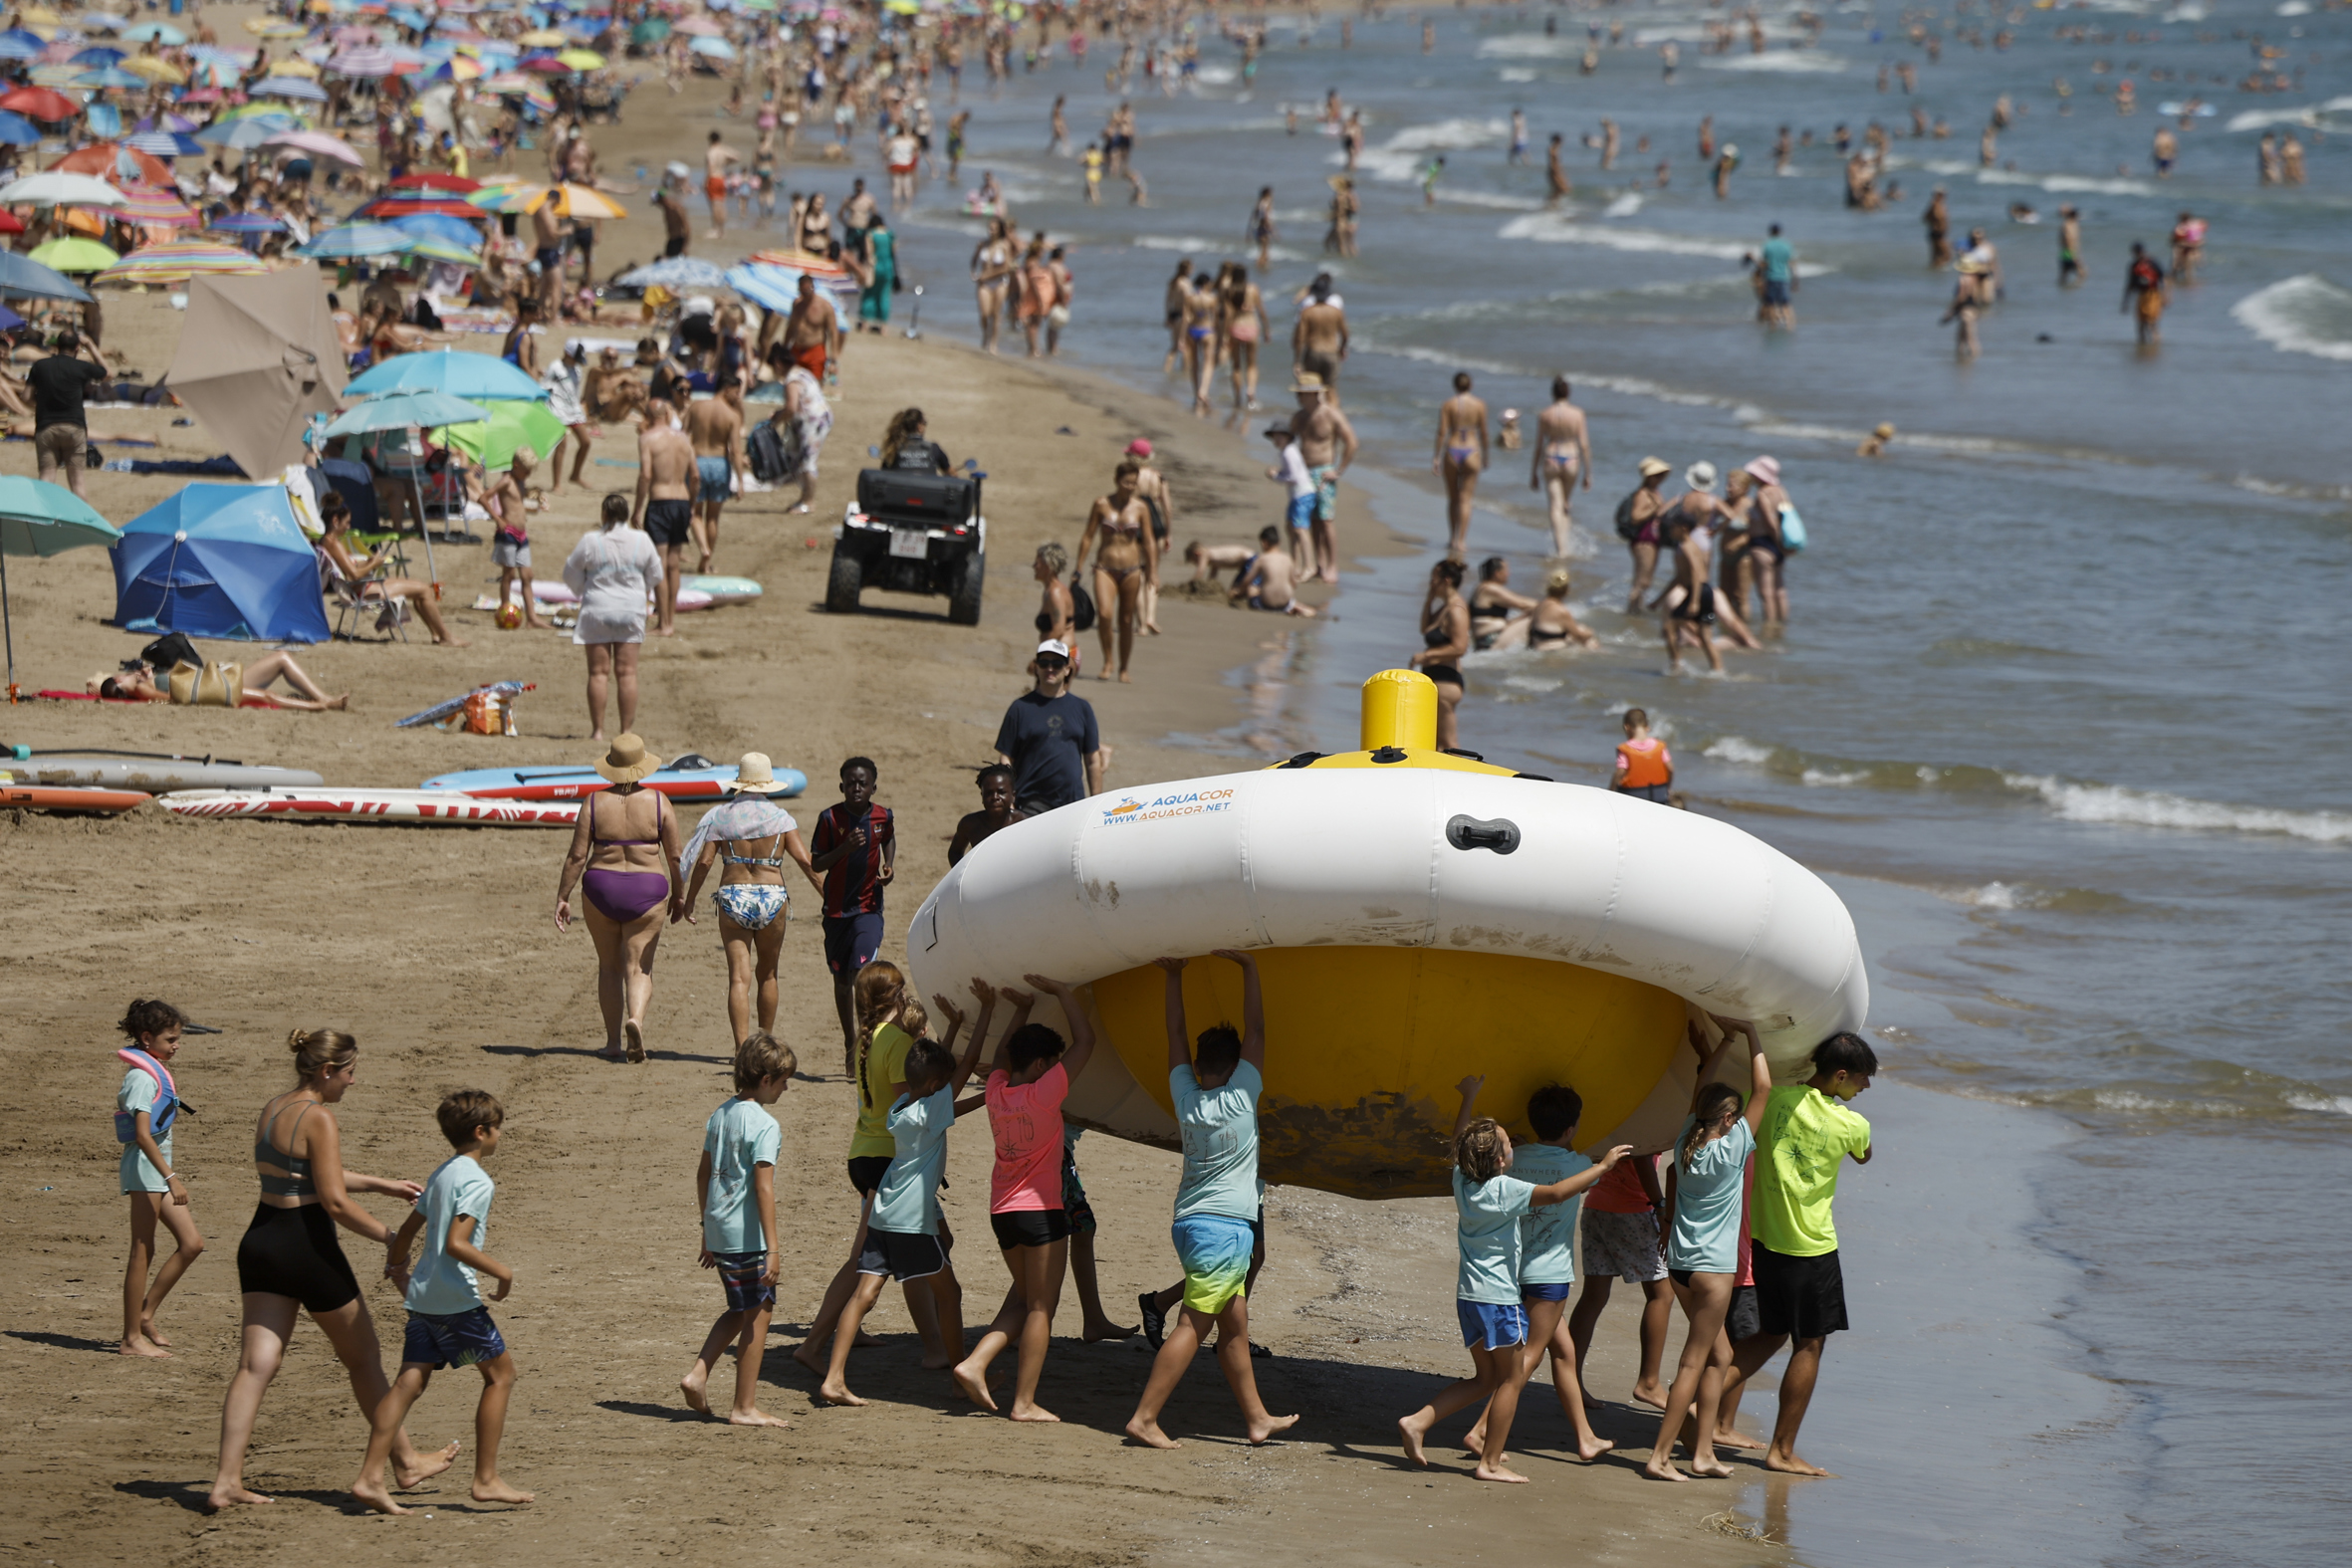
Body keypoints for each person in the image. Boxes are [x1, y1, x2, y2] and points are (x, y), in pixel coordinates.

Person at [208, 1028, 451, 1511]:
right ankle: (403, 1463)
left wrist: (382, 1184)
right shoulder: (319, 1118)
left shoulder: (274, 1107)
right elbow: (334, 1203)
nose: (352, 1082)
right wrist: (391, 1238)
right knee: (363, 1359)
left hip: (261, 1243)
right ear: (326, 1071)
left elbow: (306, 1174)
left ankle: (225, 1481)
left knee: (256, 1365)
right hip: (307, 1249)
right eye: (349, 1073)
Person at [1397, 1076, 1632, 1481]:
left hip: (1469, 1296)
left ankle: (1418, 1422)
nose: (1513, 1144)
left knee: (1487, 1377)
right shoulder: (1504, 1190)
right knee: (1510, 1377)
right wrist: (1603, 1165)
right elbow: (1558, 1193)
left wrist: (1468, 1098)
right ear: (1501, 1161)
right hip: (1498, 1298)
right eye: (1508, 1144)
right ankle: (1488, 1460)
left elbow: (1459, 1142)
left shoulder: (1463, 1179)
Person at [1125, 953, 1300, 1449]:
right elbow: (1259, 1027)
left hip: (1192, 1222)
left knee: (1235, 1331)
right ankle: (1145, 1417)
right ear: (1237, 1064)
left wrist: (1173, 975)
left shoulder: (1185, 1096)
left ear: (1199, 1066)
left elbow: (1174, 1035)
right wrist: (1249, 968)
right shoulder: (1244, 1094)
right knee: (1191, 1325)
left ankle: (1257, 1419)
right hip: (1224, 1229)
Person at [352, 1090, 531, 1512]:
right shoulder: (476, 1181)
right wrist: (503, 1272)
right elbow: (456, 1244)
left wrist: (398, 1267)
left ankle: (370, 1476)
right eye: (497, 1128)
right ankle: (485, 1479)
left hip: (426, 1296)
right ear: (481, 1132)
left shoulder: (443, 1172)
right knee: (501, 1376)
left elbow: (411, 1228)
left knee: (408, 1383)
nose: (500, 1134)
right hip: (456, 1299)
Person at [820, 989, 994, 1406]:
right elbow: (964, 1066)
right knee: (950, 1296)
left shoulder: (902, 1106)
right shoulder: (931, 1111)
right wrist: (986, 1011)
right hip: (913, 1221)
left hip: (882, 1215)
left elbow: (937, 1068)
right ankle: (958, 1375)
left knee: (863, 1296)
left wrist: (950, 1027)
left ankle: (834, 1377)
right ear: (936, 1085)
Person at [1715, 1032, 1878, 1477]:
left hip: (1765, 1243)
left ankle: (1693, 1402)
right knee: (1809, 1343)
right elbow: (1864, 1156)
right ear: (1841, 1076)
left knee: (1769, 1333)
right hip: (1811, 1248)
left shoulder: (1770, 1101)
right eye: (1862, 1080)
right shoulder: (1852, 1125)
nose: (1865, 1089)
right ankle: (1782, 1451)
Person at [950, 975, 1099, 1421]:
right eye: (1052, 1063)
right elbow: (1086, 1041)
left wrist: (1018, 1008)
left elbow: (1000, 1057)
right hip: (1041, 1215)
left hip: (1003, 1214)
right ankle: (1023, 1401)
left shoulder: (996, 1091)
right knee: (1040, 1307)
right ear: (1040, 1067)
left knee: (1023, 1299)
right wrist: (1062, 993)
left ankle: (976, 1365)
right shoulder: (1043, 1092)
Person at [1643, 1020, 1771, 1482]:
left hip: (1678, 1266)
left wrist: (1728, 1041)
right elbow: (1764, 1087)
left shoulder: (1686, 1141)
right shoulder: (1733, 1148)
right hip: (1713, 1272)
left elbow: (1704, 1088)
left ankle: (1701, 1454)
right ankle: (1658, 1457)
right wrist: (1753, 1031)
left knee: (1718, 1357)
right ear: (1730, 1120)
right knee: (1693, 1363)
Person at [1460, 1083, 1615, 1464]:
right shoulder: (1579, 1165)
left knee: (1564, 1351)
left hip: (1515, 1272)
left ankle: (1586, 1438)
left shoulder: (1513, 1158)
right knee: (1527, 1358)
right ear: (1570, 1128)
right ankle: (1481, 1430)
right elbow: (1568, 1188)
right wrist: (1603, 1164)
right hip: (1549, 1275)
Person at [678, 1032, 797, 1428]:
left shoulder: (720, 1114)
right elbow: (764, 1188)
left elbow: (702, 1174)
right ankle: (744, 1406)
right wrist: (774, 1249)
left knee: (739, 1309)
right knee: (759, 1315)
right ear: (765, 1080)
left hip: (719, 1230)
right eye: (783, 1081)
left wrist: (706, 1229)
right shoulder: (765, 1125)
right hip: (748, 1238)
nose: (785, 1087)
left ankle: (698, 1373)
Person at [553, 735, 684, 1063]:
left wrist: (562, 896)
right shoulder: (659, 802)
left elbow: (577, 856)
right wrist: (681, 896)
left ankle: (612, 1042)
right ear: (643, 766)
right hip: (647, 889)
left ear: (610, 766)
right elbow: (676, 858)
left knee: (609, 966)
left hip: (601, 888)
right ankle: (635, 1020)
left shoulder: (594, 802)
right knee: (639, 967)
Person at [676, 756, 821, 1046]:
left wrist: (688, 900)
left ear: (740, 784)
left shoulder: (721, 816)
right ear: (767, 784)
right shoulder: (781, 818)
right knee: (768, 974)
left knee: (738, 979)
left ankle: (742, 1048)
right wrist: (828, 897)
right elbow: (806, 862)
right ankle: (765, 1042)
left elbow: (704, 863)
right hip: (772, 896)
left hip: (733, 895)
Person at [115, 998, 203, 1359]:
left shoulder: (153, 1069)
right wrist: (172, 1177)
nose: (177, 1045)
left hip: (157, 1170)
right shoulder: (139, 1078)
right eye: (170, 1039)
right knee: (142, 1250)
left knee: (192, 1243)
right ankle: (130, 1339)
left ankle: (146, 1315)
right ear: (147, 1038)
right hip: (147, 1170)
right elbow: (141, 1134)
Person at [1566, 1140, 1674, 1413]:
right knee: (1661, 1294)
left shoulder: (1623, 1110)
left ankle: (1570, 1381)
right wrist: (1660, 1207)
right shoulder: (1648, 1119)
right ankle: (1649, 1382)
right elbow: (1642, 1156)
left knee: (1593, 1296)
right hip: (1633, 1211)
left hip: (1597, 1207)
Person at [810, 757, 896, 1075]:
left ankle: (866, 1042)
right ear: (841, 786)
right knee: (842, 980)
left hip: (869, 909)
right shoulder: (830, 818)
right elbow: (816, 864)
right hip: (835, 912)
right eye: (851, 783)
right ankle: (850, 1043)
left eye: (863, 783)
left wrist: (889, 865)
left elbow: (888, 838)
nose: (857, 788)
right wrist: (844, 848)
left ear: (874, 786)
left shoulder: (882, 816)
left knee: (862, 972)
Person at [562, 495, 661, 740]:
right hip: (631, 610)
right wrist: (640, 592)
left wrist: (583, 589)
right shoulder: (642, 539)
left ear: (604, 514)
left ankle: (598, 731)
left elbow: (570, 573)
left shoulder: (591, 540)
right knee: (627, 673)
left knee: (598, 673)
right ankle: (626, 731)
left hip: (598, 607)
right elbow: (656, 574)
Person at [994, 642, 1105, 815]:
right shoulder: (1020, 708)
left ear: (1067, 669)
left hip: (1073, 803)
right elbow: (1006, 757)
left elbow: (1092, 760)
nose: (1050, 668)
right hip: (1031, 801)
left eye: (1057, 664)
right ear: (1036, 667)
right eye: (1044, 663)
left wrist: (1096, 803)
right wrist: (1009, 802)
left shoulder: (1082, 708)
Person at [1075, 461, 1156, 682]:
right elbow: (1088, 536)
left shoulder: (1141, 508)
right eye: (1126, 482)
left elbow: (1148, 541)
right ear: (1116, 480)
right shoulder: (1101, 504)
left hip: (1132, 569)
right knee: (1104, 614)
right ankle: (1108, 660)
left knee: (1127, 620)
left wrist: (1153, 572)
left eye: (1133, 483)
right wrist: (1079, 566)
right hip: (1105, 567)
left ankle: (1124, 667)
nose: (1130, 487)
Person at [632, 389, 696, 636]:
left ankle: (664, 623)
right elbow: (695, 475)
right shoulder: (684, 439)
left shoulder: (646, 439)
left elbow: (646, 475)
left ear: (647, 416)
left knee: (659, 564)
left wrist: (638, 508)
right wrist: (691, 506)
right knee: (673, 565)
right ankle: (670, 621)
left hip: (659, 502)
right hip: (681, 501)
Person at [97, 653, 349, 712]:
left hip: (215, 681)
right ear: (119, 681)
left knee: (281, 659)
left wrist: (150, 677)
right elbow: (172, 698)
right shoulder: (141, 688)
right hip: (214, 688)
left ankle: (323, 699)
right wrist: (149, 683)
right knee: (268, 694)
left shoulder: (143, 685)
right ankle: (321, 704)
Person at [1289, 372, 1356, 583]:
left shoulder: (1331, 414)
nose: (1298, 397)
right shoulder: (1299, 417)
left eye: (1302, 393)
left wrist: (1339, 470)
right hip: (1304, 474)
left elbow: (1352, 442)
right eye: (1298, 393)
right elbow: (1288, 443)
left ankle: (1332, 565)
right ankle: (1319, 564)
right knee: (1311, 521)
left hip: (1325, 472)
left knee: (1326, 521)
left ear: (1315, 394)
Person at [29, 327, 111, 501]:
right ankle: (81, 523)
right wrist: (90, 345)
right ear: (76, 348)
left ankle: (44, 520)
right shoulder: (81, 367)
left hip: (46, 426)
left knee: (46, 479)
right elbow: (107, 373)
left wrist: (42, 402)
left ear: (57, 346)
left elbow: (26, 396)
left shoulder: (40, 366)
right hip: (74, 426)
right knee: (77, 483)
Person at [684, 373, 744, 574]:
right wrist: (741, 480)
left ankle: (704, 549)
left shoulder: (696, 406)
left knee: (695, 513)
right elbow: (735, 451)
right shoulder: (732, 415)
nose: (738, 397)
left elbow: (683, 437)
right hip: (720, 464)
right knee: (713, 517)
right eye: (736, 393)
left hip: (698, 461)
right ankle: (705, 562)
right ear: (727, 389)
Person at [1411, 559, 1471, 751]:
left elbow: (1460, 647)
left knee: (1449, 745)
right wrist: (1429, 599)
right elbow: (1424, 628)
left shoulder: (1456, 609)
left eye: (1433, 579)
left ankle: (1464, 779)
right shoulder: (1445, 607)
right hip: (1436, 680)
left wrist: (1426, 657)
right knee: (1433, 746)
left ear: (1445, 580)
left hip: (1446, 681)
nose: (1430, 583)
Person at [1529, 378, 1593, 558]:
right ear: (1568, 393)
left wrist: (1533, 472)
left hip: (1551, 456)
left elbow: (1538, 445)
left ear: (1553, 393)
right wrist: (1588, 473)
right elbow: (1585, 445)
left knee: (1555, 505)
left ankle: (1561, 548)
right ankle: (1565, 544)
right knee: (1566, 502)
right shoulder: (1577, 413)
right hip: (1571, 457)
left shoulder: (1545, 414)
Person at [1434, 372, 1488, 558]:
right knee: (1466, 499)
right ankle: (1462, 541)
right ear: (1470, 385)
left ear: (1454, 385)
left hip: (1453, 448)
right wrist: (1486, 455)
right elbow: (1484, 432)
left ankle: (1452, 538)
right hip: (1471, 449)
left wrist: (1436, 457)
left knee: (1453, 498)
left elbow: (1442, 431)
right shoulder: (1479, 404)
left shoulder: (1448, 404)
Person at [1616, 456, 1673, 612]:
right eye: (1658, 475)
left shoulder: (1655, 492)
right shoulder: (1642, 494)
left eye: (1662, 475)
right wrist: (1654, 509)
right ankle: (1632, 611)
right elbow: (1635, 517)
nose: (1661, 478)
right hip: (1643, 540)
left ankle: (1636, 608)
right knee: (1642, 581)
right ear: (1649, 477)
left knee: (1644, 581)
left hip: (1651, 540)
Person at [1497, 568, 1597, 651]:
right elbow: (1579, 637)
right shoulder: (1562, 612)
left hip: (1537, 649)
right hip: (1555, 653)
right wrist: (1589, 632)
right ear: (1566, 590)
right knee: (1591, 643)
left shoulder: (1539, 606)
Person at [949, 764, 1027, 866]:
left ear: (1013, 796)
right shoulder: (970, 824)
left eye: (1001, 792)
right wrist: (963, 876)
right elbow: (954, 852)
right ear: (982, 796)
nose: (995, 797)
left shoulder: (1024, 823)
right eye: (989, 793)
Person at [1231, 525, 1317, 616]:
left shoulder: (1262, 559)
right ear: (1279, 542)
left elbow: (1247, 581)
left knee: (1252, 589)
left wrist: (1239, 592)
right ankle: (1298, 609)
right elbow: (1293, 584)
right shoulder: (1288, 559)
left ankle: (1283, 606)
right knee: (1293, 601)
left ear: (1264, 543)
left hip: (1266, 605)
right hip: (1285, 604)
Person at [1467, 557, 1535, 650]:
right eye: (1506, 570)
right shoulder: (1490, 589)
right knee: (1539, 614)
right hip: (1491, 640)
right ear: (1497, 573)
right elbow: (1523, 604)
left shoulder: (1481, 587)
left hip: (1486, 639)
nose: (1509, 574)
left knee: (1529, 614)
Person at [971, 217, 1016, 354]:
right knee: (984, 313)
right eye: (989, 228)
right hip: (984, 283)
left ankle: (993, 343)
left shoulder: (1004, 245)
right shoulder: (983, 244)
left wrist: (988, 275)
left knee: (996, 314)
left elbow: (1007, 267)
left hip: (1000, 282)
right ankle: (985, 334)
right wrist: (973, 273)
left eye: (993, 229)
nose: (990, 231)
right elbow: (973, 261)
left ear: (999, 230)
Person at [1612, 709, 1675, 802]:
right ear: (1647, 727)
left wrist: (1611, 791)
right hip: (1659, 795)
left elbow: (1620, 772)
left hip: (1633, 797)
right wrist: (1668, 788)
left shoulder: (1626, 749)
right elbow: (1670, 769)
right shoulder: (1660, 746)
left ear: (1626, 727)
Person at [2123, 241, 2167, 345]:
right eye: (2136, 253)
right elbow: (2130, 285)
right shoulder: (2134, 266)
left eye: (2140, 252)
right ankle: (2142, 346)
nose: (2139, 255)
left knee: (2152, 322)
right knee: (2141, 323)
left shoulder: (2152, 263)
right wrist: (2125, 302)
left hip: (2153, 294)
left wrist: (2166, 295)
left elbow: (2164, 279)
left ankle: (2156, 344)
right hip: (2141, 295)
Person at [1757, 223, 1797, 328]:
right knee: (1786, 303)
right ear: (1780, 232)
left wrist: (1760, 276)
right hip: (1784, 277)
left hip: (1771, 277)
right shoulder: (1787, 245)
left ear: (1770, 232)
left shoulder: (1767, 245)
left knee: (1771, 304)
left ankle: (1773, 327)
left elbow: (1765, 263)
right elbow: (1792, 263)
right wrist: (1796, 279)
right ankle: (1790, 326)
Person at [704, 130, 742, 238]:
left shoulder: (711, 151)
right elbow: (737, 156)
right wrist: (726, 162)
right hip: (722, 177)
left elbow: (710, 167)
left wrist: (706, 182)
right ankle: (722, 230)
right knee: (722, 204)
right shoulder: (723, 150)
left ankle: (715, 229)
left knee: (715, 205)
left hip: (714, 178)